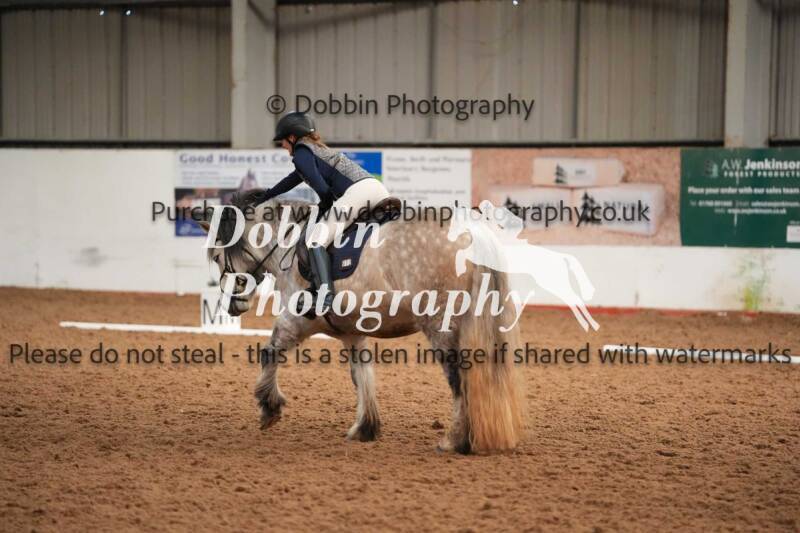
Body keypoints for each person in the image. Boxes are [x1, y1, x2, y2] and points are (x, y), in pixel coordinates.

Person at [264, 111, 390, 314]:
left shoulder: (301, 152)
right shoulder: (315, 151)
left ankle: (325, 297)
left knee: (315, 240)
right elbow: (290, 181)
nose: (283, 146)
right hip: (377, 190)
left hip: (359, 193)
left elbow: (322, 188)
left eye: (283, 142)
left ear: (292, 137)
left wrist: (324, 203)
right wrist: (265, 196)